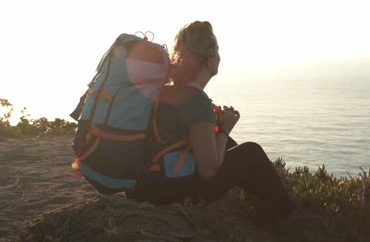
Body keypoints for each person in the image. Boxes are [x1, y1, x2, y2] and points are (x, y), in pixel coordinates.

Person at [132, 21, 322, 230]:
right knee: (250, 152)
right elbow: (209, 171)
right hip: (170, 194)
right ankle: (289, 215)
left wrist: (217, 129)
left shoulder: (168, 90)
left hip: (147, 186)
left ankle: (274, 202)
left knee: (230, 145)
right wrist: (224, 128)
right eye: (218, 52)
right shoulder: (197, 101)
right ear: (210, 61)